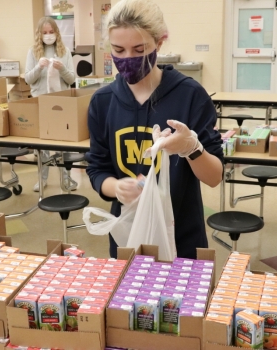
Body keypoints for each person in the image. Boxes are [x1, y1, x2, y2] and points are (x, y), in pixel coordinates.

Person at [86, 0, 224, 259]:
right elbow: (97, 169)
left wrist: (192, 149)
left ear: (159, 43)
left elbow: (214, 176)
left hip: (181, 237)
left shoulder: (189, 95)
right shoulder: (103, 102)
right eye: (118, 50)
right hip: (128, 235)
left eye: (139, 49)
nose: (127, 59)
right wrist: (116, 187)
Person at [25, 16, 77, 192]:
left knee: (63, 143)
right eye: (45, 32)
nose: (48, 35)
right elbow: (28, 79)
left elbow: (71, 79)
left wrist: (62, 68)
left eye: (51, 32)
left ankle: (66, 178)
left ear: (56, 32)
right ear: (39, 34)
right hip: (41, 102)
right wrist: (39, 67)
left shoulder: (65, 51)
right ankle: (42, 178)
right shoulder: (33, 52)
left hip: (61, 103)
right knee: (43, 144)